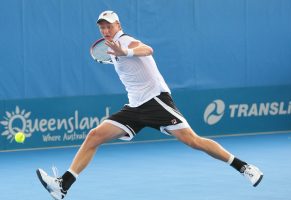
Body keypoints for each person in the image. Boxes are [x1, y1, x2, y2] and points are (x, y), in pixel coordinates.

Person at [36, 10, 263, 200]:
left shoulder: (125, 41)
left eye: (109, 26)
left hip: (155, 101)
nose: (105, 30)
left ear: (118, 25)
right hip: (134, 107)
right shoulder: (111, 48)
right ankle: (63, 185)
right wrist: (120, 55)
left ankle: (244, 167)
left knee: (193, 141)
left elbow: (147, 49)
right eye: (101, 28)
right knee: (94, 135)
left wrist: (127, 51)